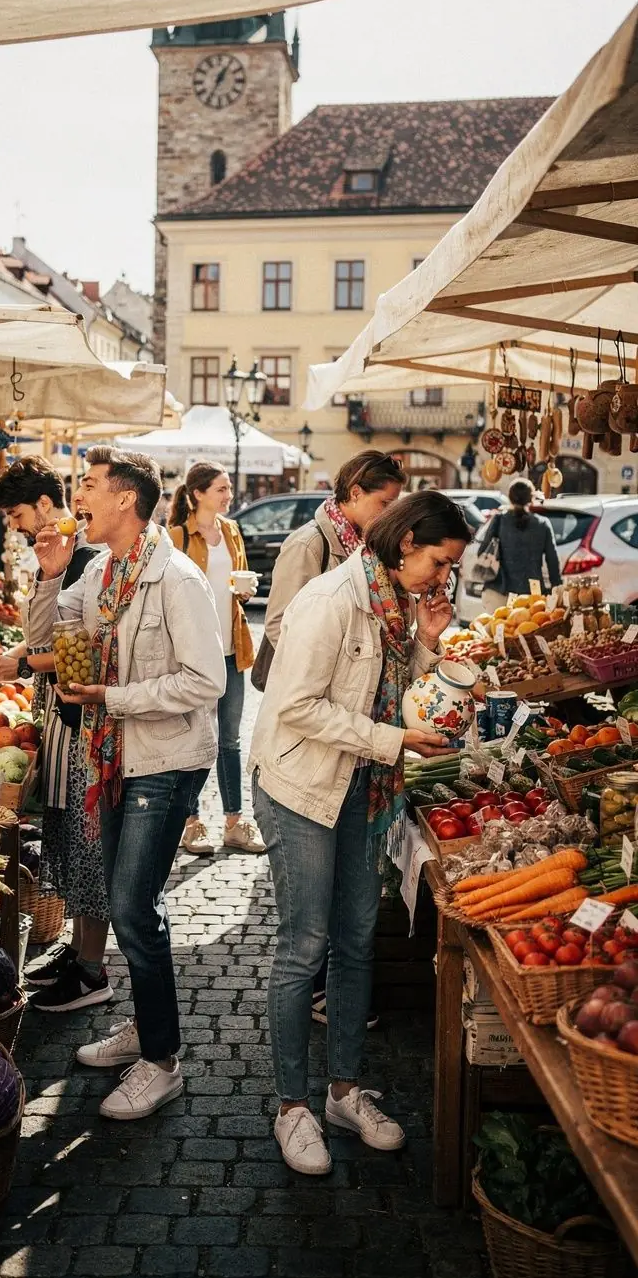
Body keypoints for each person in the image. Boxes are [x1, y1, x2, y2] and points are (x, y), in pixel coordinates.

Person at [249, 491, 472, 1175]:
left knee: (354, 941)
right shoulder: (331, 600)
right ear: (407, 544)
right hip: (301, 788)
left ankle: (344, 1091)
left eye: (452, 570)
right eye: (440, 563)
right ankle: (292, 1107)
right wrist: (393, 737)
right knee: (304, 946)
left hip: (361, 786)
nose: (443, 580)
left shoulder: (394, 604)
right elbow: (296, 706)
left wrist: (428, 646)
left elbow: (388, 688)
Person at [27, 446, 226, 1120]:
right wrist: (52, 576)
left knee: (135, 907)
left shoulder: (177, 581)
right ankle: (147, 1027)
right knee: (125, 902)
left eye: (88, 486)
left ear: (124, 501)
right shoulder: (105, 571)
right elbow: (53, 638)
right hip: (117, 755)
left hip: (165, 761)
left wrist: (113, 698)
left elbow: (208, 682)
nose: (77, 498)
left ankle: (162, 1062)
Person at [0, 455, 108, 1011]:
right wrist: (20, 656)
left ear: (43, 505)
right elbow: (40, 635)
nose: (14, 524)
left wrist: (25, 663)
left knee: (86, 842)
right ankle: (80, 949)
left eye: (15, 513)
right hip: (60, 719)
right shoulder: (57, 556)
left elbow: (81, 648)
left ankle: (92, 969)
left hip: (83, 722)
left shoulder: (87, 558)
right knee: (65, 836)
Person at [168, 462, 265, 857]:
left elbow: (233, 585)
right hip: (192, 655)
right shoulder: (176, 537)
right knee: (193, 737)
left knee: (230, 738)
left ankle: (233, 823)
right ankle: (190, 824)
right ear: (197, 495)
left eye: (228, 488)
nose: (228, 495)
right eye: (221, 489)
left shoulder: (231, 531)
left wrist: (244, 591)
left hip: (230, 648)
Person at [260, 451, 407, 669]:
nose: (388, 514)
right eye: (385, 503)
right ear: (356, 493)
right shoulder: (308, 544)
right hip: (318, 685)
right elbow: (279, 625)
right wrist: (319, 674)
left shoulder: (368, 543)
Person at [479, 477, 561, 613]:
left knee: (499, 631)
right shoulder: (542, 524)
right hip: (532, 594)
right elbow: (553, 562)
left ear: (510, 497)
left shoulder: (499, 520)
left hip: (500, 590)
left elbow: (482, 552)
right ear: (531, 498)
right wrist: (556, 589)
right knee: (528, 630)